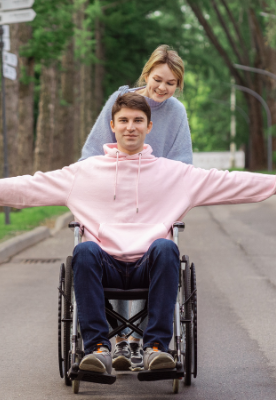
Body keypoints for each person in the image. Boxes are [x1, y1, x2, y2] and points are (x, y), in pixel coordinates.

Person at [0, 93, 276, 376]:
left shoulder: (175, 175)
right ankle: (97, 349)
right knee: (83, 251)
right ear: (113, 125)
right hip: (102, 266)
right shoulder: (84, 174)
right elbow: (31, 186)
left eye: (138, 121)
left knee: (166, 247)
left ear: (149, 127)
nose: (131, 127)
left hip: (148, 266)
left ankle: (158, 347)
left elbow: (228, 182)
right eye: (123, 121)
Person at [81, 44, 191, 371]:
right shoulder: (120, 104)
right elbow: (90, 153)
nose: (162, 88)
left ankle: (143, 341)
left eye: (170, 83)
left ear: (177, 85)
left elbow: (184, 161)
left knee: (154, 246)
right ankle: (115, 341)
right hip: (113, 191)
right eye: (158, 79)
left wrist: (162, 183)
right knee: (108, 245)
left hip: (156, 195)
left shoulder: (177, 113)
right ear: (147, 74)